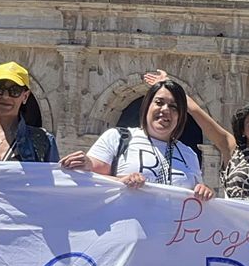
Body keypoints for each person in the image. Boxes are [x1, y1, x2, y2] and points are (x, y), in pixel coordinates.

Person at [148, 72, 249, 204]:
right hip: (236, 225)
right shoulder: (232, 149)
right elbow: (199, 113)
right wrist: (169, 86)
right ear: (242, 131)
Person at [63, 79, 214, 197]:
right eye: (159, 103)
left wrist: (204, 192)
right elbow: (89, 177)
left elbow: (196, 200)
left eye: (174, 107)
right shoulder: (118, 138)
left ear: (181, 116)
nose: (165, 110)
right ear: (147, 106)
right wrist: (120, 181)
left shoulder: (188, 154)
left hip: (172, 235)